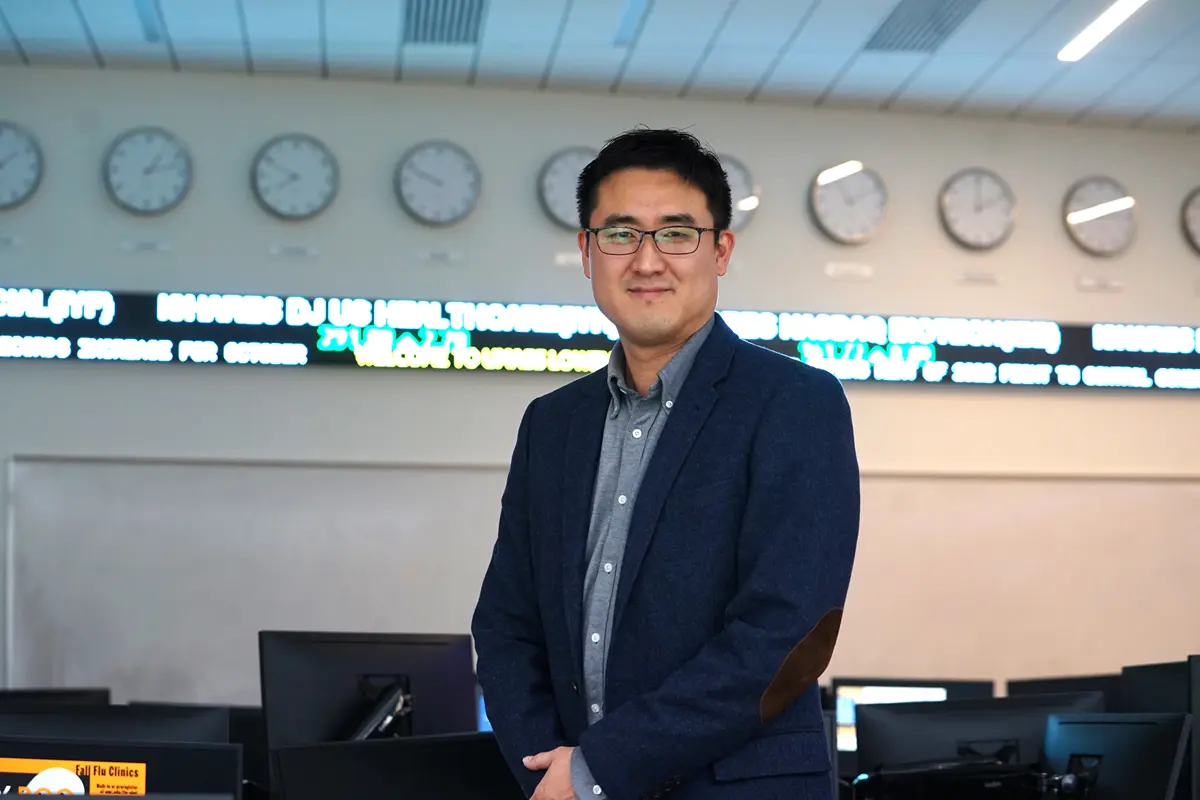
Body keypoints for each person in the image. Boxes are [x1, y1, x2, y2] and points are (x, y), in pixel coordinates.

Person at [471, 127, 860, 800]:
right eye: (620, 234)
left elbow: (786, 638)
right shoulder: (551, 425)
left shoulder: (796, 404)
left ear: (722, 250)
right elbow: (506, 624)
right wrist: (548, 770)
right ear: (587, 253)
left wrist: (599, 769)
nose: (647, 260)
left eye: (676, 234)